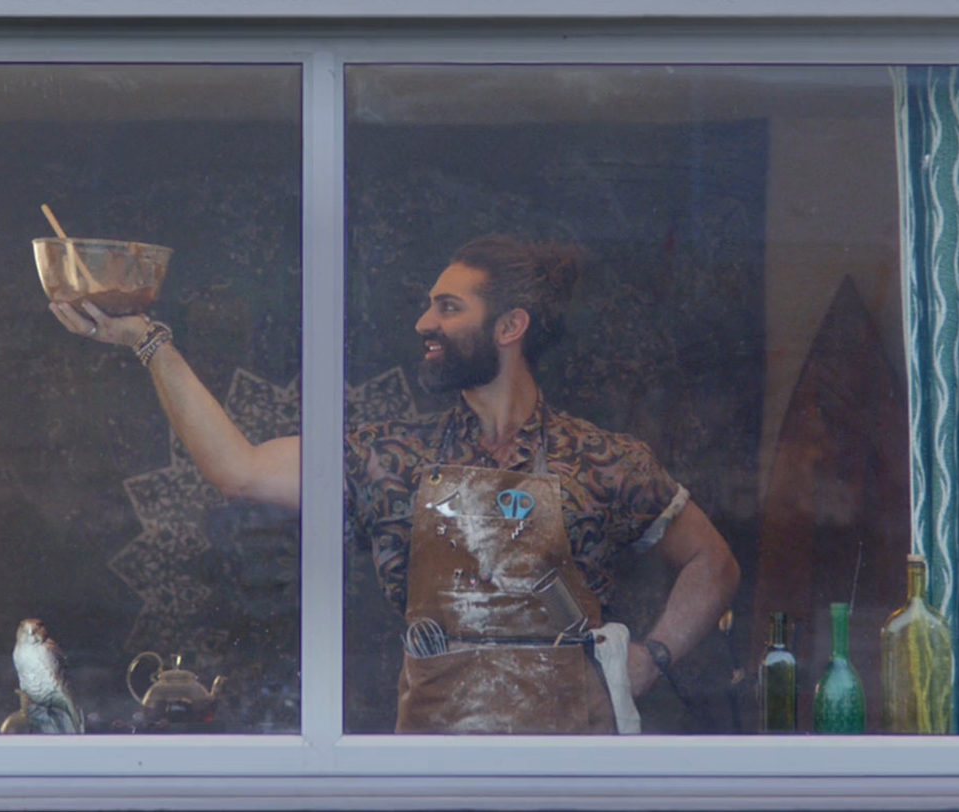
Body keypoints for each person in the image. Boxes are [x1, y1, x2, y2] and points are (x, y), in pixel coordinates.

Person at [49, 235, 739, 734]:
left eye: (446, 308)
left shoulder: (603, 459)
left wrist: (650, 661)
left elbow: (715, 563)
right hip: (433, 769)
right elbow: (239, 469)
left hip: (570, 769)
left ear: (510, 326)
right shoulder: (389, 458)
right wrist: (149, 343)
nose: (423, 324)